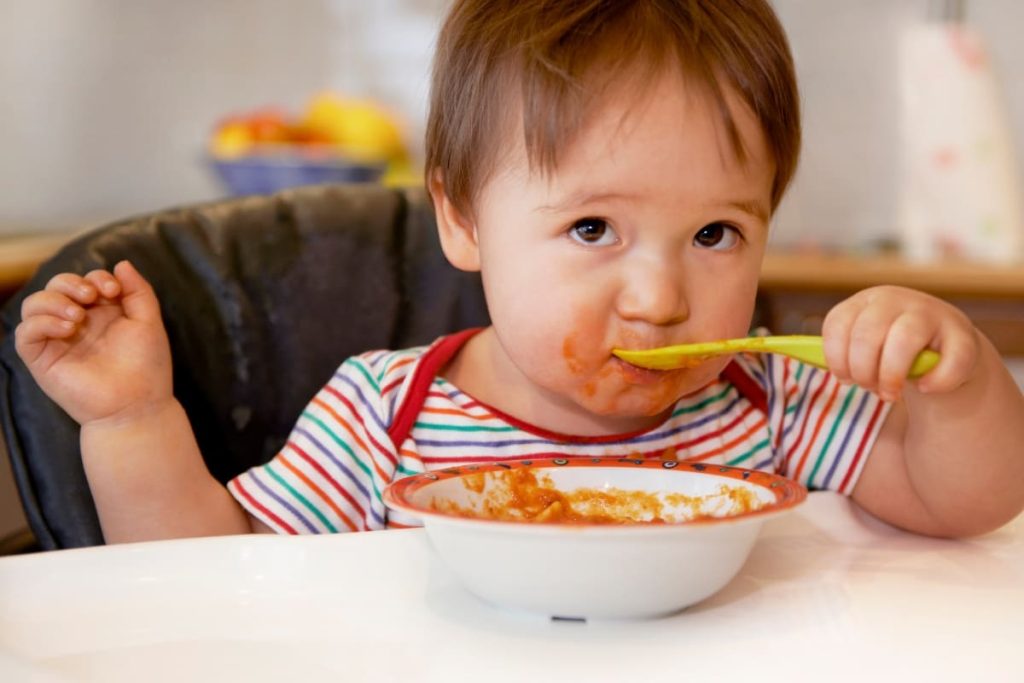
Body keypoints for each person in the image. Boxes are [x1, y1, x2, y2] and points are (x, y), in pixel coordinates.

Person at [14, 0, 1024, 542]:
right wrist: (130, 417)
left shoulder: (774, 406)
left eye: (715, 233)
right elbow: (202, 576)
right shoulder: (385, 419)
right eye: (592, 227)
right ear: (461, 218)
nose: (661, 297)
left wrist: (959, 377)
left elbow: (970, 502)